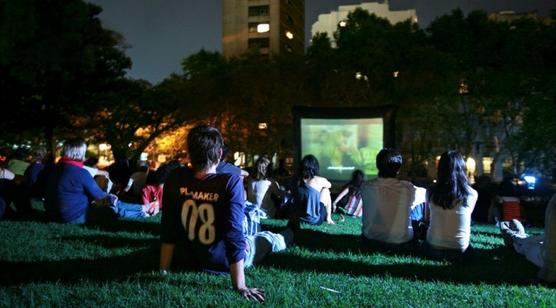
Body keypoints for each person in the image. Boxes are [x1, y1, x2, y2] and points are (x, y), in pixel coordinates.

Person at [160, 124, 294, 303]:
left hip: (190, 256)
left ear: (190, 152)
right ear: (219, 154)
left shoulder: (175, 177)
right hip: (223, 261)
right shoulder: (229, 181)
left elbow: (169, 225)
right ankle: (291, 232)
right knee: (269, 238)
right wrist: (240, 286)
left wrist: (164, 269)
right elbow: (233, 233)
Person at [44, 139, 150, 224]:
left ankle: (143, 209)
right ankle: (143, 212)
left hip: (52, 214)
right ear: (80, 153)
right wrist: (111, 196)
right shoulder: (81, 172)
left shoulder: (55, 169)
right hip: (73, 216)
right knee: (112, 210)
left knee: (114, 204)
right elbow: (99, 195)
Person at [361, 149, 426, 250]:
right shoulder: (408, 188)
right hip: (400, 242)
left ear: (377, 166)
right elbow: (427, 194)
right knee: (420, 205)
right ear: (398, 169)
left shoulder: (365, 186)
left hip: (370, 239)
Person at [424, 151, 478, 261]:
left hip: (433, 249)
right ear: (462, 168)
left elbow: (427, 218)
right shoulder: (472, 193)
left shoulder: (431, 191)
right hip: (460, 251)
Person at [500, 193, 556, 282]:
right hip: (543, 248)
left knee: (527, 246)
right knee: (521, 236)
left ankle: (515, 238)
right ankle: (518, 237)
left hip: (541, 253)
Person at [291, 154, 334, 225]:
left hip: (297, 218)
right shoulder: (318, 180)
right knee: (326, 190)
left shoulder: (295, 180)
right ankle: (328, 218)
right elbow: (329, 185)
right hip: (313, 220)